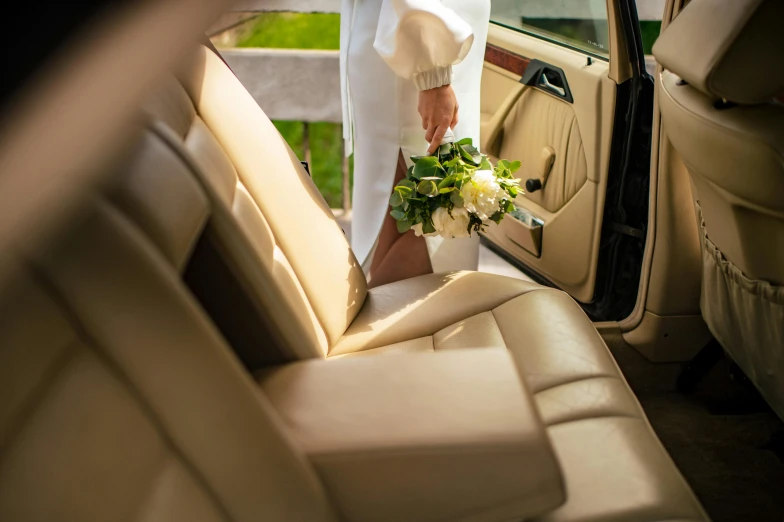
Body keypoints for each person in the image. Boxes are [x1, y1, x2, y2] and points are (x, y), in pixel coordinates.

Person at [341, 0, 491, 287]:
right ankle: (364, 327)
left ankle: (382, 326)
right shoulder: (431, 71)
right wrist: (433, 77)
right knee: (447, 216)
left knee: (402, 207)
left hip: (418, 53)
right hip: (419, 60)